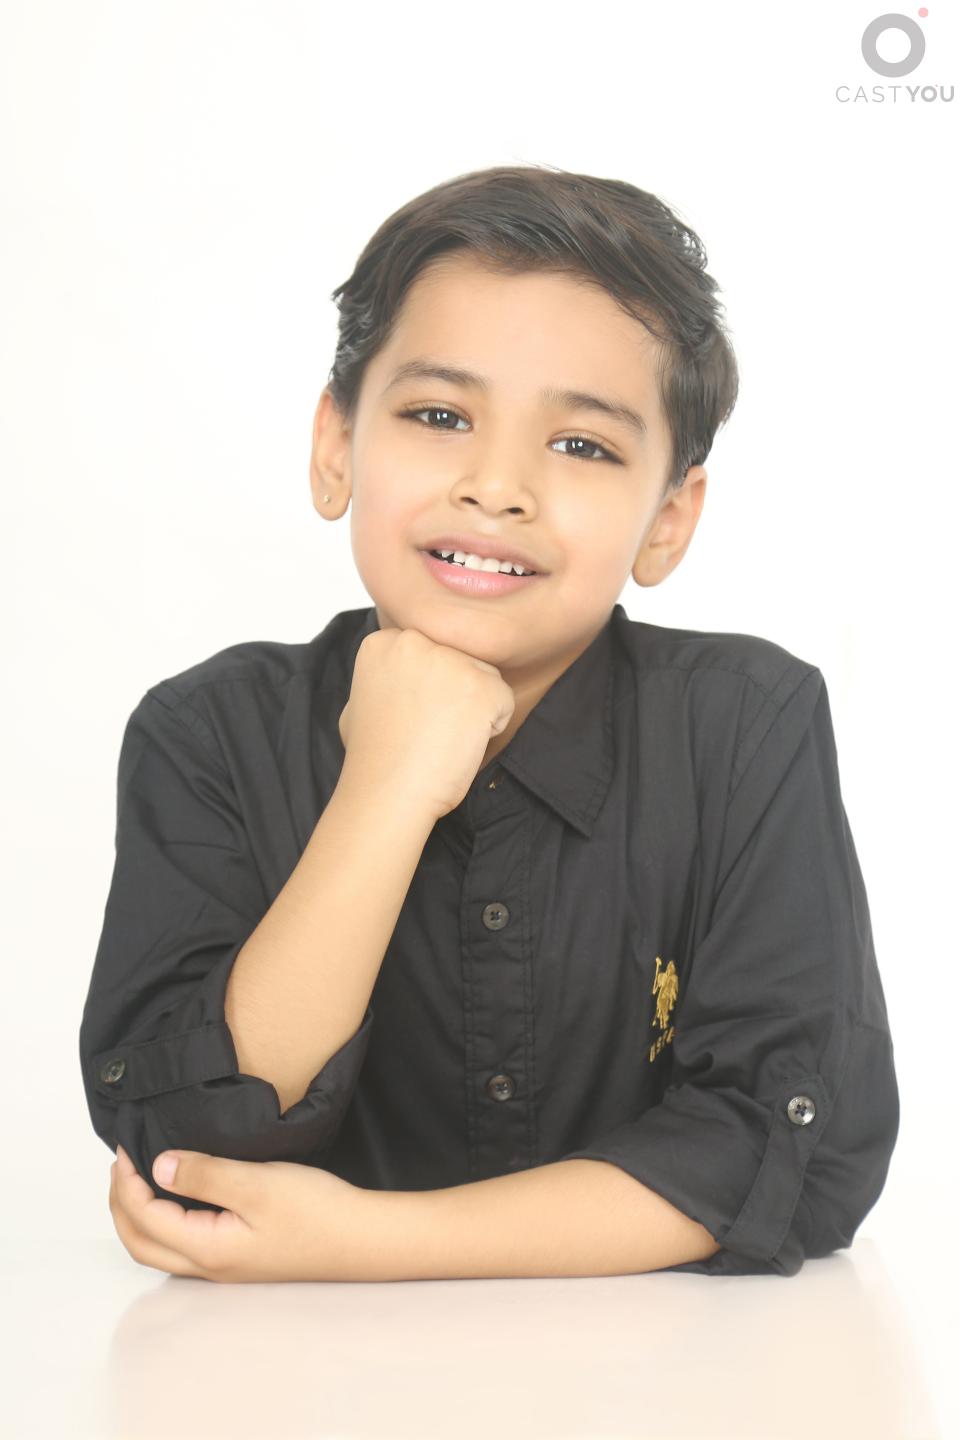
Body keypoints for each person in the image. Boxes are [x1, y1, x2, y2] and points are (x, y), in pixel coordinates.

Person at [80, 164, 899, 1279]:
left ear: (668, 519)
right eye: (439, 415)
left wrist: (370, 1243)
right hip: (294, 1370)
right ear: (336, 446)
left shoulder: (745, 725)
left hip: (663, 1367)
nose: (497, 485)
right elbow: (188, 1142)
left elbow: (790, 1150)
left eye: (582, 445)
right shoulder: (208, 733)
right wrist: (386, 786)